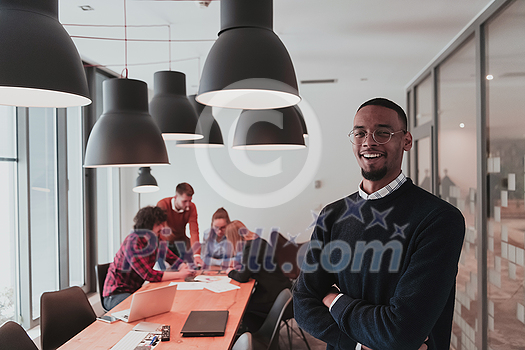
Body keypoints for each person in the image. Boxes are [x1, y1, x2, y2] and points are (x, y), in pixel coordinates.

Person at [293, 97, 465, 350]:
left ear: (406, 141)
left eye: (382, 132)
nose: (369, 141)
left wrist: (333, 299)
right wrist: (358, 345)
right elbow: (303, 303)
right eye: (360, 132)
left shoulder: (439, 219)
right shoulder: (333, 215)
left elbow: (400, 332)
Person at [103, 206, 194, 311]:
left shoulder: (155, 239)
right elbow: (148, 275)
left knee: (162, 306)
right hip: (116, 294)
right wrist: (180, 274)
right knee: (145, 311)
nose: (162, 227)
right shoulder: (132, 242)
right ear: (147, 225)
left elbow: (170, 257)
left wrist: (184, 267)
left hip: (135, 291)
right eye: (158, 224)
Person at [226, 220, 292, 332]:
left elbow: (243, 277)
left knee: (242, 307)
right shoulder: (259, 241)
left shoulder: (249, 248)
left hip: (272, 297)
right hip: (282, 289)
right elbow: (252, 268)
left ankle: (257, 337)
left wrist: (230, 272)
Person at [157, 182, 202, 266]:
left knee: (187, 269)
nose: (188, 205)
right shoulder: (163, 205)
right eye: (184, 201)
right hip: (164, 243)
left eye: (190, 201)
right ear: (176, 197)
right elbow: (159, 228)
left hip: (181, 242)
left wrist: (196, 255)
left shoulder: (191, 207)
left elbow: (194, 232)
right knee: (167, 271)